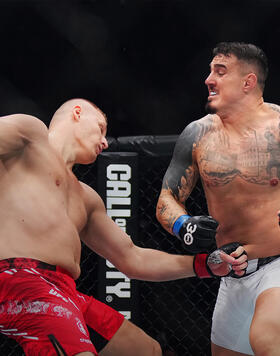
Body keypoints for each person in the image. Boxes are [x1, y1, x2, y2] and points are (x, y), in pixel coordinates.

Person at [0, 98, 246, 356]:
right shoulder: (30, 136)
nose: (105, 142)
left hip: (64, 291)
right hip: (20, 280)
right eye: (101, 128)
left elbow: (133, 258)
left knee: (144, 350)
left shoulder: (86, 198)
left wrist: (204, 265)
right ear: (76, 113)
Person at [156, 41, 280, 356]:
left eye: (220, 72)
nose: (208, 79)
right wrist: (185, 226)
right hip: (232, 273)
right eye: (211, 70)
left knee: (266, 338)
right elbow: (166, 200)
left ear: (248, 82)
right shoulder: (197, 135)